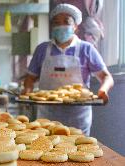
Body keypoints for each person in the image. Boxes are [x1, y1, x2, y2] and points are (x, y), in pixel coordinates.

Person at [23, 4, 114, 136]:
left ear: (75, 27)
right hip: (47, 116)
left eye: (66, 22)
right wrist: (27, 92)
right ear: (52, 27)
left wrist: (103, 90)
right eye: (56, 23)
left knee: (79, 151)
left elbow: (106, 77)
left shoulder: (86, 49)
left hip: (77, 116)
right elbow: (30, 78)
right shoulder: (42, 49)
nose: (61, 26)